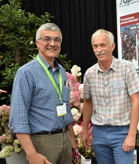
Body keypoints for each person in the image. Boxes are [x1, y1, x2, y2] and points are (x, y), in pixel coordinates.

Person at [9, 23, 77, 164]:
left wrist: (72, 139)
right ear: (37, 43)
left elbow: (65, 108)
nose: (52, 43)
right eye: (47, 39)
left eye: (57, 40)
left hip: (64, 140)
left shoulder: (62, 71)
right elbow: (18, 118)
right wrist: (32, 154)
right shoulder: (26, 73)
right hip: (42, 142)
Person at [81, 29, 139, 164]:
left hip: (122, 132)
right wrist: (84, 129)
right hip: (99, 134)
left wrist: (132, 135)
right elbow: (87, 102)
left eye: (103, 45)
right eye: (95, 46)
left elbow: (136, 101)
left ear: (112, 46)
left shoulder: (126, 68)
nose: (99, 50)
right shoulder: (89, 73)